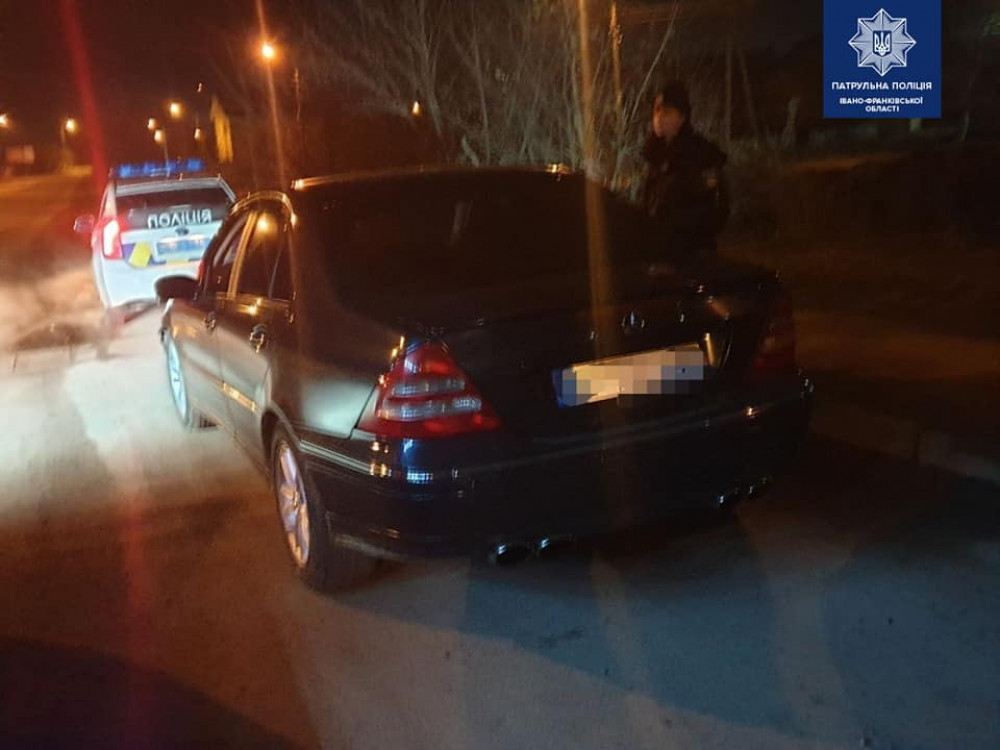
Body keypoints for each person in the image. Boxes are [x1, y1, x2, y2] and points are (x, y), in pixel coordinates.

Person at [641, 81, 729, 259]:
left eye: (667, 111)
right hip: (660, 252)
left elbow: (716, 209)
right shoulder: (656, 156)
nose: (659, 117)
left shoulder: (700, 154)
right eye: (657, 110)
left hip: (692, 253)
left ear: (682, 117)